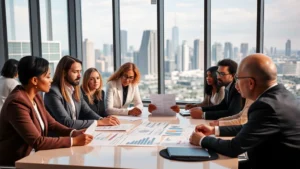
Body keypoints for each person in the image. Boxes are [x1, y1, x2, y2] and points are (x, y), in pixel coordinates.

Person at [189, 54, 300, 168]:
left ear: (251, 83)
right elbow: (248, 129)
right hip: (269, 155)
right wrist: (214, 130)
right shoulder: (283, 95)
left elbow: (235, 148)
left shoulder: (266, 106)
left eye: (238, 78)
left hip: (273, 161)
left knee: (227, 161)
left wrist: (202, 140)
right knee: (234, 160)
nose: (236, 84)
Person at [0, 56, 93, 166]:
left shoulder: (35, 96)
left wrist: (73, 132)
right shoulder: (16, 103)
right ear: (34, 80)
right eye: (48, 76)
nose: (51, 80)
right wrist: (74, 141)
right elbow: (37, 141)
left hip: (35, 156)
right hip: (18, 162)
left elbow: (51, 123)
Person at [44, 56, 119, 130]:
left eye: (80, 71)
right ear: (64, 73)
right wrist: (98, 122)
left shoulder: (76, 89)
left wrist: (102, 119)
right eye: (75, 72)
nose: (79, 76)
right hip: (61, 137)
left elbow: (87, 111)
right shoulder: (53, 92)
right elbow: (67, 122)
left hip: (75, 133)